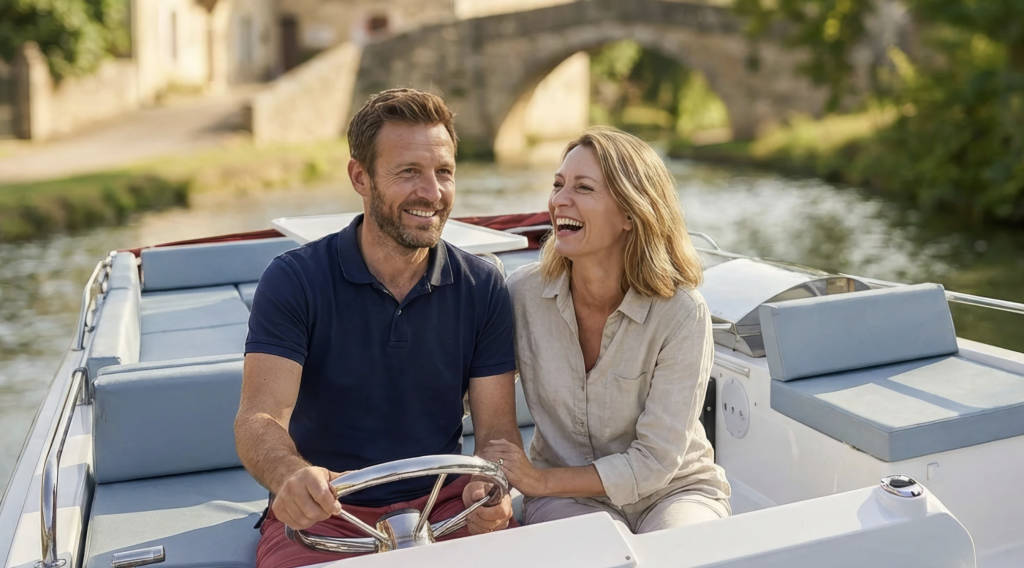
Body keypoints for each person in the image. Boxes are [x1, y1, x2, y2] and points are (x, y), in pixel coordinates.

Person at [235, 88, 522, 568]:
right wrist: (290, 476)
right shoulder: (294, 280)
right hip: (324, 513)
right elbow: (258, 419)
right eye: (408, 172)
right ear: (360, 177)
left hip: (448, 506)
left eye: (443, 172)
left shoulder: (483, 285)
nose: (432, 192)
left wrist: (490, 488)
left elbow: (497, 433)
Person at [482, 126, 731, 533]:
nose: (559, 200)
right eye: (558, 185)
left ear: (631, 214)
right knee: (597, 554)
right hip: (566, 497)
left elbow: (655, 461)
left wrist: (538, 481)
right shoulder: (521, 295)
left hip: (675, 489)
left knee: (678, 555)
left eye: (583, 188)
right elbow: (475, 394)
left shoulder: (682, 313)